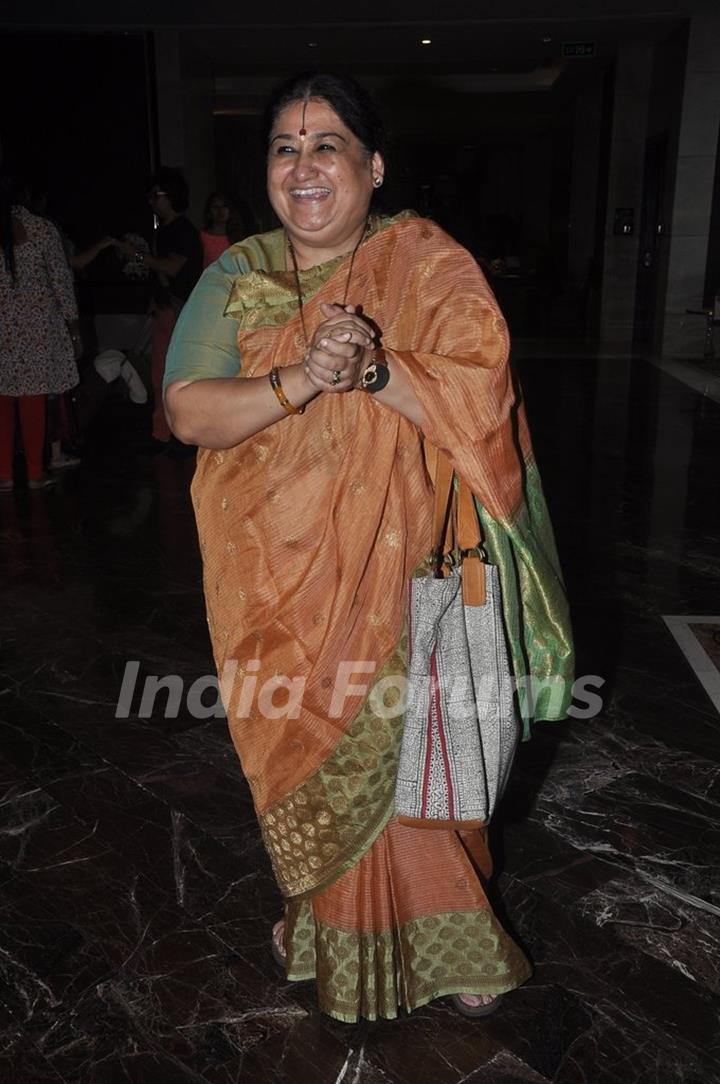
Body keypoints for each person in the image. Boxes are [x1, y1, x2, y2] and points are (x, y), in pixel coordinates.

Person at [164, 72, 574, 1022]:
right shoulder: (235, 274)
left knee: (426, 759)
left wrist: (379, 367)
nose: (303, 167)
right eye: (283, 148)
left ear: (372, 164)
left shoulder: (426, 262)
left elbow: (482, 391)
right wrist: (305, 375)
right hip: (277, 580)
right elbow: (188, 411)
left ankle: (457, 936)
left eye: (326, 145)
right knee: (315, 758)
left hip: (416, 567)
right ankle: (324, 930)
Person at [0, 171, 81, 491]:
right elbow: (61, 282)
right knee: (31, 397)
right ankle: (35, 471)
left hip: (4, 331)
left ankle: (4, 474)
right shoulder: (41, 230)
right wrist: (74, 329)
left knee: (3, 399)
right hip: (37, 329)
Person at [118, 168, 201, 450]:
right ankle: (163, 432)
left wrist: (138, 255)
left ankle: (179, 435)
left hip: (180, 310)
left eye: (157, 195)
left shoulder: (183, 230)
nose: (151, 201)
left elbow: (173, 268)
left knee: (174, 374)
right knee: (159, 374)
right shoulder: (165, 230)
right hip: (165, 308)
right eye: (150, 195)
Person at [199, 191, 247, 269]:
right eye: (215, 207)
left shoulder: (237, 236)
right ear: (209, 212)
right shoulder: (201, 237)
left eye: (224, 206)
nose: (220, 210)